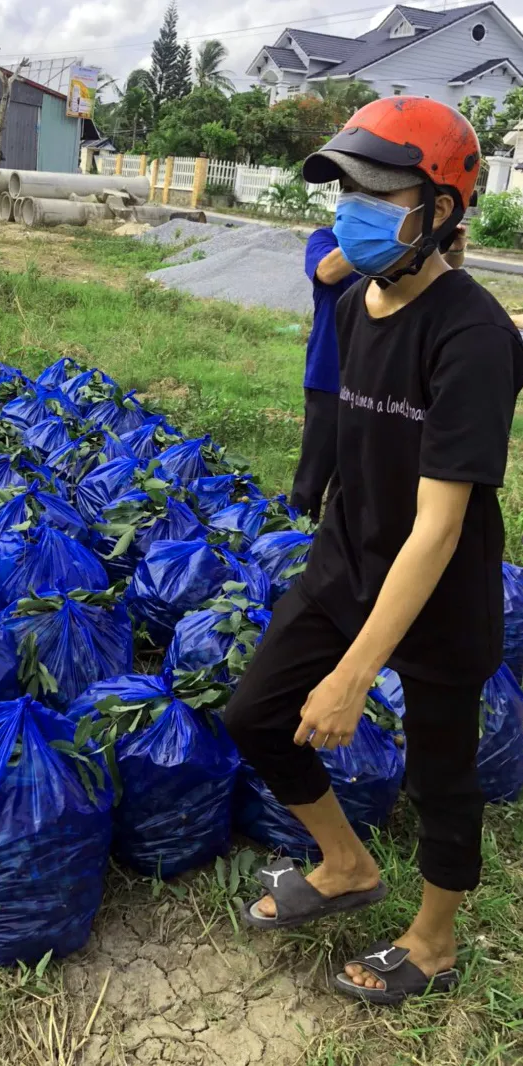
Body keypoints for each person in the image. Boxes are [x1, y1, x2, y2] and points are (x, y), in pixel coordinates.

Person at [225, 96, 523, 1004]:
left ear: (439, 211)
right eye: (343, 187)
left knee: (441, 774)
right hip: (346, 562)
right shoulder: (358, 302)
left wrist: (356, 674)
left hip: (436, 590)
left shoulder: (473, 339)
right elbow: (355, 443)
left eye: (376, 190)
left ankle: (432, 942)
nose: (351, 206)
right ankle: (346, 865)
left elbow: (437, 526)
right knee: (253, 715)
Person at [291, 226, 468, 523]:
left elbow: (439, 277)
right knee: (312, 475)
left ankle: (333, 546)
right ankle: (291, 543)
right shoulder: (325, 239)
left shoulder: (398, 254)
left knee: (353, 480)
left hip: (376, 384)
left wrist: (453, 246)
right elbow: (326, 272)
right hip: (328, 379)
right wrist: (381, 233)